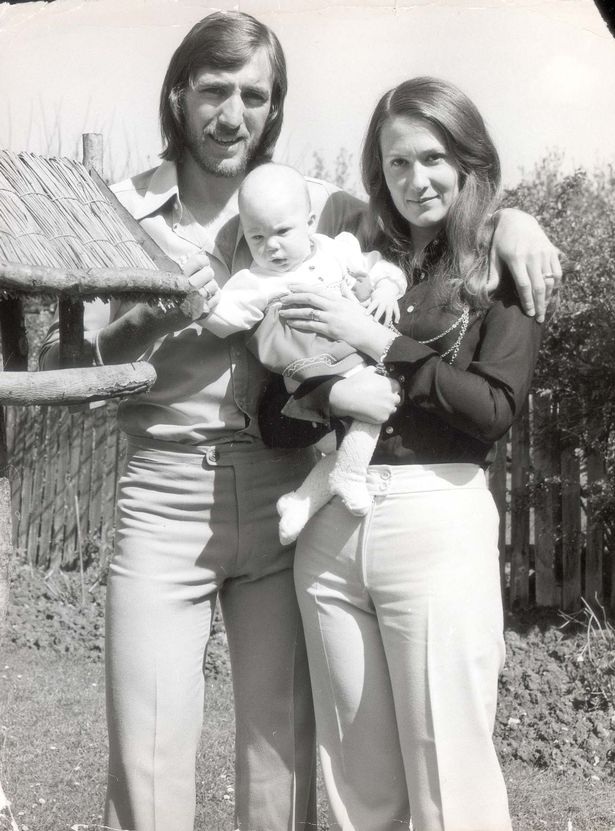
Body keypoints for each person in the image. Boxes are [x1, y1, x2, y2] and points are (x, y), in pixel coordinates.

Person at [38, 9, 560, 830]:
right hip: (165, 493)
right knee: (146, 751)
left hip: (289, 489)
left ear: (274, 105)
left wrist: (512, 222)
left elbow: (426, 212)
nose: (232, 114)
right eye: (214, 90)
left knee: (281, 752)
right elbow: (79, 356)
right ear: (178, 94)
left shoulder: (324, 208)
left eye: (255, 94)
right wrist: (163, 309)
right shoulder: (120, 208)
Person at [260, 76, 544, 831]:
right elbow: (273, 415)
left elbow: (491, 411)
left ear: (467, 160)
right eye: (396, 164)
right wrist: (328, 396)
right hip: (330, 530)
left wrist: (378, 340)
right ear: (376, 175)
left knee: (451, 782)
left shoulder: (498, 268)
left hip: (434, 524)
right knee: (359, 785)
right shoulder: (346, 259)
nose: (416, 179)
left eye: (432, 158)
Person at [203, 161, 406, 537]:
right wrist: (200, 304)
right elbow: (223, 318)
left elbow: (379, 267)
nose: (272, 246)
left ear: (310, 222)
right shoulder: (256, 281)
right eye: (257, 237)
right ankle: (343, 477)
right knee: (367, 416)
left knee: (356, 429)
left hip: (353, 353)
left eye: (282, 231)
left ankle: (301, 502)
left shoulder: (335, 250)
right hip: (312, 374)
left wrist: (385, 288)